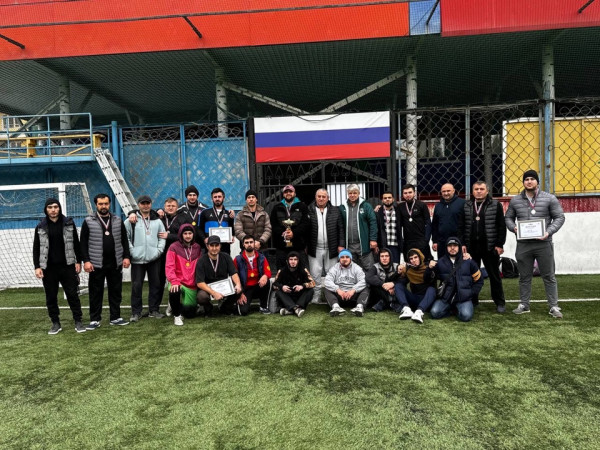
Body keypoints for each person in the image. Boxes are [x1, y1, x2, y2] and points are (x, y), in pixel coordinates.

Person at [505, 169, 566, 318]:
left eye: (532, 179)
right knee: (524, 276)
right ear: (523, 182)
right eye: (526, 179)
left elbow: (560, 217)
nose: (529, 181)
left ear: (537, 182)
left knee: (549, 276)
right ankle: (524, 304)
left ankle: (553, 306)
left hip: (543, 243)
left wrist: (548, 232)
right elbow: (508, 218)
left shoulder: (549, 198)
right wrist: (514, 228)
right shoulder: (515, 200)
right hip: (523, 244)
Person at [33, 198, 86, 334]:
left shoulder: (69, 223)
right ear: (46, 209)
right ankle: (55, 323)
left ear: (59, 208)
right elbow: (36, 248)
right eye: (50, 207)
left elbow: (76, 243)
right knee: (51, 297)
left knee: (72, 295)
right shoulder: (40, 226)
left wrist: (78, 261)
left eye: (55, 207)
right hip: (48, 268)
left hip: (67, 266)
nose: (53, 210)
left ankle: (78, 321)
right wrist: (37, 266)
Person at [81, 193, 131, 329]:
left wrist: (126, 256)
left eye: (106, 203)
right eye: (101, 204)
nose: (103, 206)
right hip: (96, 263)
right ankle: (94, 319)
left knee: (115, 291)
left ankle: (115, 317)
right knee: (95, 293)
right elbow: (83, 243)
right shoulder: (88, 221)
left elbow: (124, 240)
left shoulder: (117, 220)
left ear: (109, 204)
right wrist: (86, 261)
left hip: (115, 262)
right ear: (96, 205)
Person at [461, 181, 507, 313]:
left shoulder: (495, 205)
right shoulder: (467, 205)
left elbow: (501, 226)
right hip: (471, 247)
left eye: (481, 189)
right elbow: (461, 226)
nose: (479, 191)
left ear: (487, 191)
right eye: (476, 189)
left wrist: (499, 244)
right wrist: (463, 243)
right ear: (472, 191)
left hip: (490, 246)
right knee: (471, 275)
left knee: (494, 275)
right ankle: (473, 300)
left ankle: (499, 302)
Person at [124, 195, 166, 322]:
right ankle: (136, 312)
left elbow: (162, 237)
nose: (145, 205)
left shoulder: (157, 221)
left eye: (148, 203)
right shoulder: (130, 220)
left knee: (155, 284)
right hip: (137, 259)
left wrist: (158, 251)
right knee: (136, 286)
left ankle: (154, 310)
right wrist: (132, 252)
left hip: (154, 258)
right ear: (138, 205)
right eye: (143, 203)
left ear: (151, 204)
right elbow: (125, 238)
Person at [430, 237, 483, 322]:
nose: (452, 248)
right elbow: (430, 278)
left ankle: (455, 309)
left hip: (463, 298)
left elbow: (479, 280)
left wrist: (471, 293)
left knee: (466, 316)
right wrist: (429, 268)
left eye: (455, 245)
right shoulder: (440, 262)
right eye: (450, 246)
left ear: (459, 247)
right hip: (446, 298)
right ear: (446, 248)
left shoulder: (468, 261)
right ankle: (452, 309)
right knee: (434, 313)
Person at [307, 188, 345, 304]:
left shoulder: (335, 210)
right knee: (315, 273)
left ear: (328, 198)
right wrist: (305, 245)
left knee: (332, 273)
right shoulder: (309, 210)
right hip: (315, 248)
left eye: (324, 196)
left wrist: (341, 245)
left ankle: (331, 296)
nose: (321, 199)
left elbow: (341, 229)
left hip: (331, 248)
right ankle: (316, 296)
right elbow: (305, 229)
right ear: (315, 197)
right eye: (319, 196)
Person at [196, 235, 245, 315]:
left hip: (223, 286)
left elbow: (234, 273)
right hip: (208, 288)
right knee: (201, 297)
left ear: (220, 246)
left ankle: (225, 307)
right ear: (207, 246)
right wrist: (213, 293)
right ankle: (208, 307)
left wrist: (238, 284)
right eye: (212, 245)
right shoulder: (201, 261)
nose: (214, 248)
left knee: (238, 289)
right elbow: (200, 283)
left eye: (216, 245)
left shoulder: (226, 257)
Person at [165, 223, 202, 326]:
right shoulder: (173, 247)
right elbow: (169, 266)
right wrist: (174, 281)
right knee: (175, 290)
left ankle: (173, 304)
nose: (188, 236)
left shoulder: (197, 247)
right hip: (178, 281)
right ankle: (177, 316)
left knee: (189, 313)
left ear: (193, 234)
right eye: (185, 233)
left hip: (191, 284)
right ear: (181, 234)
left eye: (190, 233)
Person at [339, 184, 378, 271]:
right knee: (351, 270)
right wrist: (341, 244)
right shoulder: (342, 207)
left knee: (370, 269)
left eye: (355, 193)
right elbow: (340, 226)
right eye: (350, 193)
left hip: (363, 245)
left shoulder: (366, 206)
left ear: (359, 193)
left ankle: (370, 281)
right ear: (347, 194)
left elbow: (373, 222)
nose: (352, 195)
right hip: (349, 245)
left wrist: (373, 239)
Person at [270, 184, 309, 269]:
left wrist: (293, 233)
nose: (288, 193)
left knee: (300, 272)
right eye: (286, 192)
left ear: (294, 193)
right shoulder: (277, 207)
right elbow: (274, 224)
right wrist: (284, 233)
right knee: (282, 271)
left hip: (298, 246)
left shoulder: (302, 206)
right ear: (283, 194)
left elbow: (305, 224)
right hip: (282, 247)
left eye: (290, 191)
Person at [395, 248, 437, 323]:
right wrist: (398, 272)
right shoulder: (409, 270)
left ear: (420, 257)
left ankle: (419, 312)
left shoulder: (429, 266)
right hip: (415, 299)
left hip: (428, 300)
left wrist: (430, 268)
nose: (413, 260)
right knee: (398, 285)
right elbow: (401, 282)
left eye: (415, 257)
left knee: (432, 289)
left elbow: (428, 278)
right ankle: (406, 309)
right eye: (411, 259)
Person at [234, 235, 272, 314]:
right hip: (245, 289)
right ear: (243, 245)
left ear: (254, 243)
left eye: (251, 242)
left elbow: (268, 272)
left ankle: (263, 306)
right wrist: (240, 293)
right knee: (243, 312)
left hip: (258, 286)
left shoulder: (262, 257)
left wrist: (265, 276)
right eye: (247, 243)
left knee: (267, 281)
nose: (249, 244)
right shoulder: (237, 259)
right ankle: (240, 303)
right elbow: (233, 276)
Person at [324, 249, 369, 317]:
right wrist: (337, 290)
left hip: (353, 297)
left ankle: (359, 307)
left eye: (347, 257)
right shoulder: (334, 268)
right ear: (339, 259)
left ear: (350, 258)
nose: (345, 259)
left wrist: (353, 290)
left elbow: (363, 281)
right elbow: (327, 281)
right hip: (339, 297)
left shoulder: (357, 268)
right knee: (327, 288)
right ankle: (336, 307)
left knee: (366, 287)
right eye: (342, 257)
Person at [272, 251, 315, 318]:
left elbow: (313, 283)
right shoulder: (282, 271)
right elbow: (274, 285)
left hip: (299, 297)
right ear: (287, 261)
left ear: (298, 261)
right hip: (287, 297)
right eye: (291, 259)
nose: (293, 261)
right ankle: (296, 309)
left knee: (310, 290)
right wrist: (282, 287)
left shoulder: (303, 270)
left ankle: (291, 309)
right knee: (278, 292)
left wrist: (302, 286)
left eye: (295, 259)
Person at [398, 184, 433, 261]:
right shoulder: (400, 207)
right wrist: (401, 241)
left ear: (414, 193)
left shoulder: (422, 205)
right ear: (402, 194)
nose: (408, 195)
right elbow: (399, 226)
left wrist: (426, 240)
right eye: (405, 193)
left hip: (421, 240)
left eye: (410, 192)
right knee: (410, 263)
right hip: (408, 242)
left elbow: (428, 223)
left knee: (424, 262)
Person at [432, 183, 465, 259]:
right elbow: (435, 225)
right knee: (443, 264)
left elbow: (466, 224)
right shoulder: (438, 206)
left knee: (459, 264)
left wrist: (463, 243)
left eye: (448, 191)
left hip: (458, 242)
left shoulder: (462, 203)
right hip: (442, 243)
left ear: (453, 191)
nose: (446, 193)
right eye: (444, 191)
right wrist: (435, 241)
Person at [198, 187, 236, 255]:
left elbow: (232, 230)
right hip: (210, 248)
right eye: (215, 197)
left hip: (225, 249)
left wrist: (232, 237)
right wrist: (204, 239)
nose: (217, 199)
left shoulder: (229, 213)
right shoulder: (205, 213)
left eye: (219, 196)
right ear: (212, 199)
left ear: (223, 198)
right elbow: (199, 229)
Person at [366, 248, 401, 313]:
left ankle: (383, 303)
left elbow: (404, 279)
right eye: (382, 256)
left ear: (390, 257)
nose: (384, 258)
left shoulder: (396, 266)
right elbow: (368, 277)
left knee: (400, 286)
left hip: (394, 291)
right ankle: (391, 302)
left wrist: (393, 284)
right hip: (380, 292)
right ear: (379, 258)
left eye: (386, 256)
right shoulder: (375, 266)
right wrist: (383, 285)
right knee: (374, 284)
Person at [376, 191, 403, 264]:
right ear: (382, 200)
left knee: (395, 266)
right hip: (383, 245)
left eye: (389, 197)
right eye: (385, 198)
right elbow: (376, 229)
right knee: (383, 266)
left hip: (395, 244)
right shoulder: (378, 212)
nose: (387, 199)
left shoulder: (398, 211)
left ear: (393, 199)